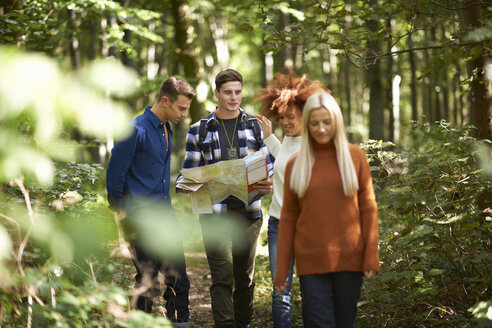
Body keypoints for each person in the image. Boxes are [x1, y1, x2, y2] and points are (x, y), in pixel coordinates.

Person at [176, 69, 274, 328]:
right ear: (217, 93)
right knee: (222, 276)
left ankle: (244, 323)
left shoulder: (255, 125)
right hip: (214, 214)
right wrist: (185, 185)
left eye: (238, 92)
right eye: (228, 92)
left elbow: (269, 163)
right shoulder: (199, 129)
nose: (234, 98)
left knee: (245, 277)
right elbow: (190, 169)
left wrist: (267, 181)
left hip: (248, 211)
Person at [273, 92, 379, 328]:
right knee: (319, 323)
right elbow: (288, 219)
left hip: (349, 259)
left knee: (344, 322)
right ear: (307, 124)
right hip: (311, 261)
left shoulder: (356, 157)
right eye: (314, 123)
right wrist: (282, 269)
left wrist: (371, 256)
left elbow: (368, 209)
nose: (321, 129)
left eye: (327, 122)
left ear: (336, 122)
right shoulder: (295, 164)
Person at [106, 77, 196, 328]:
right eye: (181, 108)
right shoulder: (136, 129)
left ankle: (180, 324)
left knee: (178, 278)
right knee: (148, 279)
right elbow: (115, 173)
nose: (184, 114)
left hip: (164, 215)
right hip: (137, 217)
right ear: (165, 101)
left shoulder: (167, 127)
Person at [253, 72, 326, 328]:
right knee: (280, 293)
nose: (285, 122)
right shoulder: (288, 140)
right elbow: (283, 157)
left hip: (307, 229)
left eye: (290, 118)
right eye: (281, 117)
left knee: (311, 293)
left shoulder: (317, 145)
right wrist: (269, 136)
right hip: (278, 226)